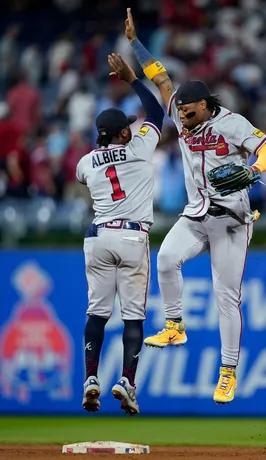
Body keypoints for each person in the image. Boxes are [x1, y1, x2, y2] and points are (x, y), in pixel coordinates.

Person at [125, 8, 266, 404]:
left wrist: (253, 171)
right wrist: (135, 43)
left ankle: (228, 372)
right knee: (164, 260)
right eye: (180, 113)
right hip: (196, 215)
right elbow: (160, 76)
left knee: (226, 297)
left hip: (231, 220)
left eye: (190, 114)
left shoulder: (231, 123)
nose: (183, 120)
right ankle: (175, 325)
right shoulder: (181, 107)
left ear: (207, 106)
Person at [77, 53, 164, 415]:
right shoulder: (140, 148)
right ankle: (127, 381)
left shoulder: (85, 161)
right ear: (124, 133)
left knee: (97, 314)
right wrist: (132, 80)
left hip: (97, 238)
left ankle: (91, 378)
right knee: (133, 317)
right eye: (128, 126)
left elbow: (88, 174)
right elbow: (157, 113)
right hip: (131, 237)